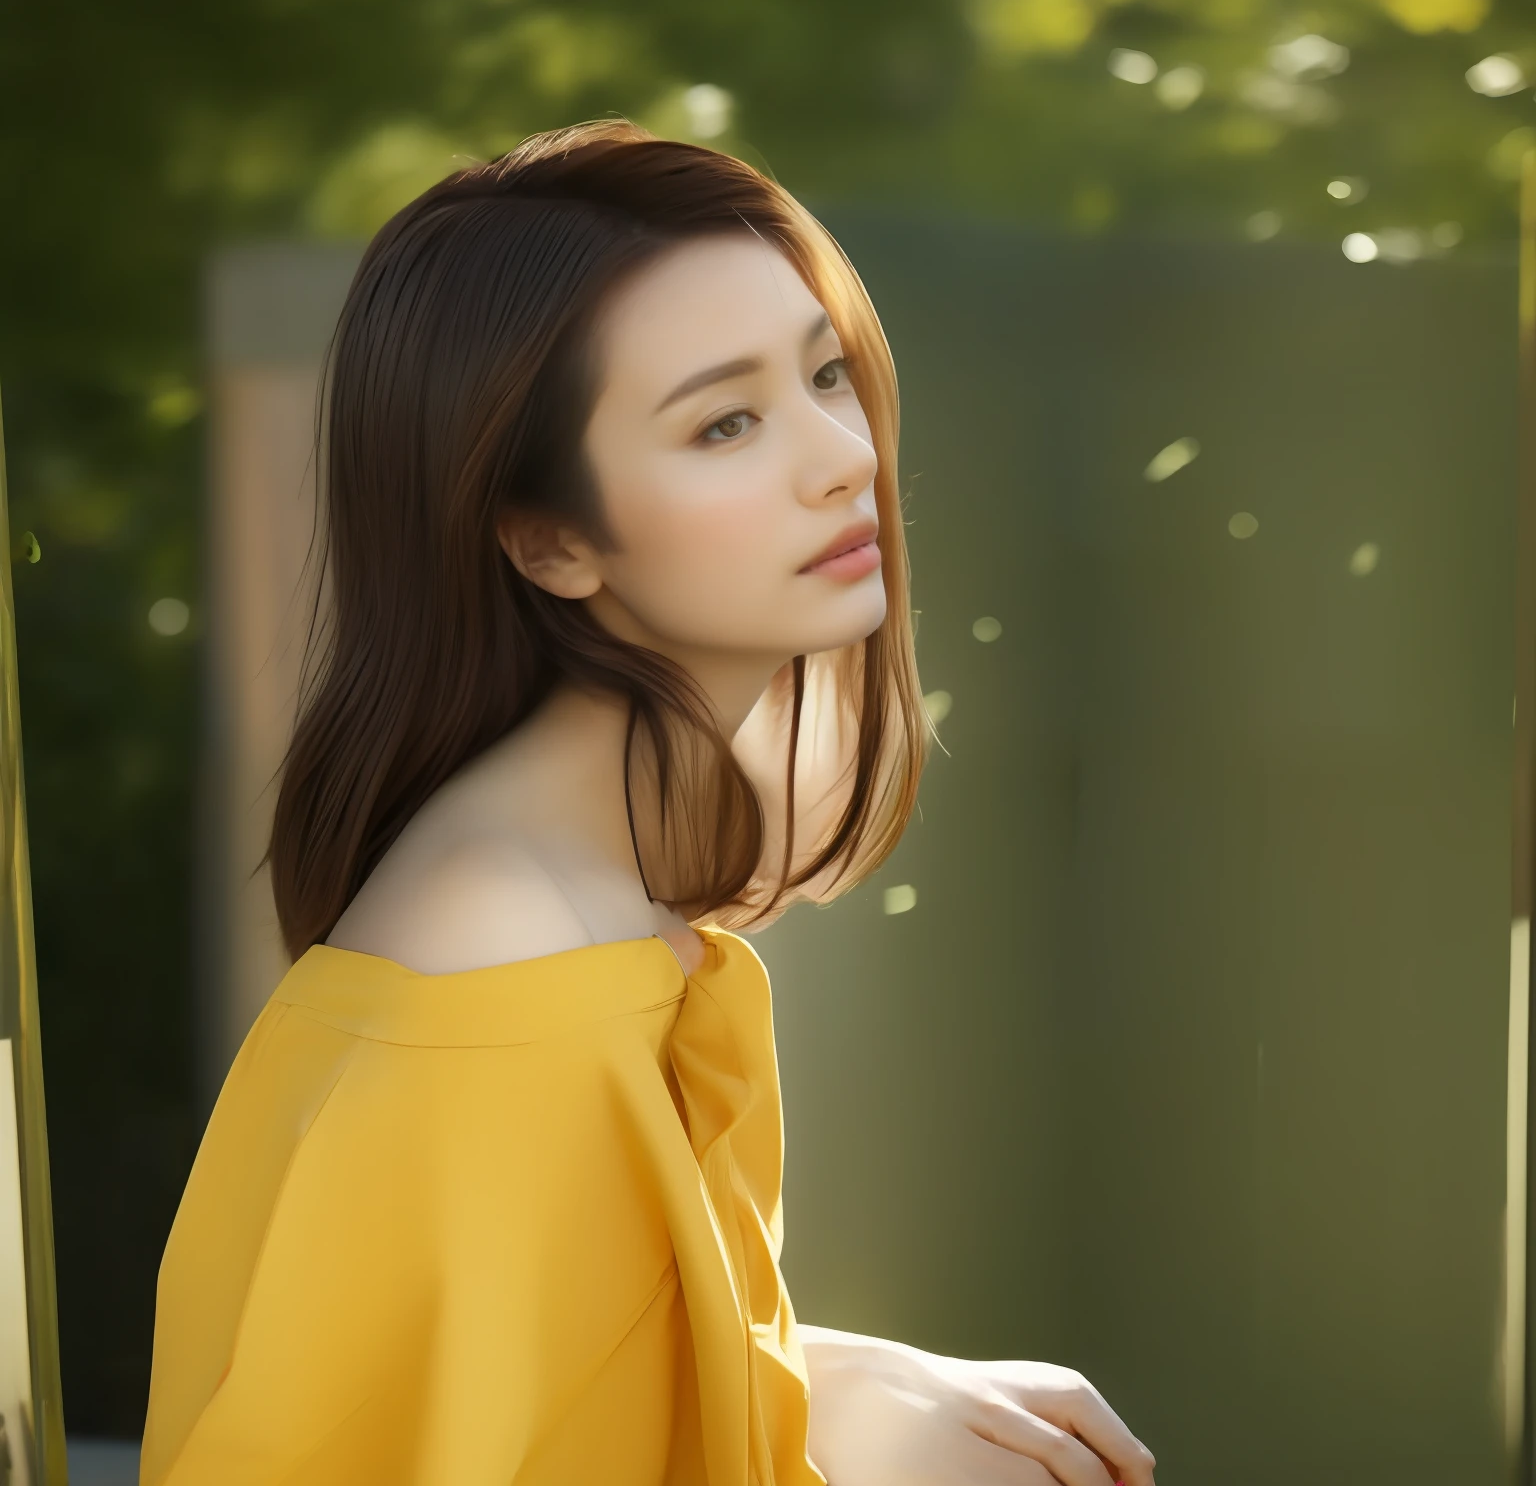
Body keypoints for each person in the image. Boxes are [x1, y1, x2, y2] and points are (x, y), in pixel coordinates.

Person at [140, 119, 1158, 1486]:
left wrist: (824, 1379)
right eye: (724, 422)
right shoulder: (502, 949)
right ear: (548, 537)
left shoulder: (569, 890)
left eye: (826, 375)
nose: (842, 458)